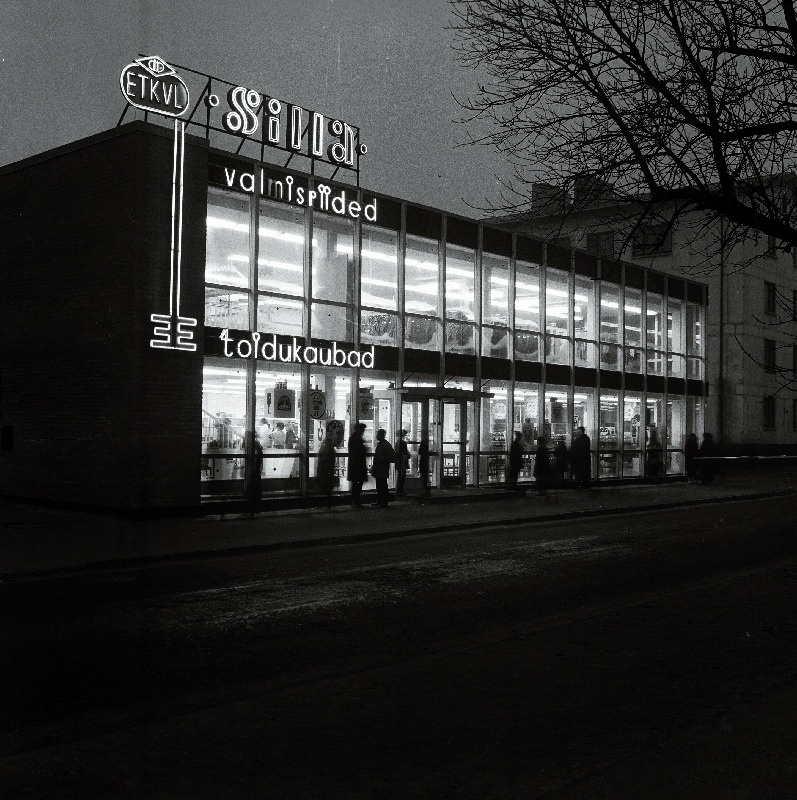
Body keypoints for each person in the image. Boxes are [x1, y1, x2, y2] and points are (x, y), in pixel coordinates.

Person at [371, 428, 395, 507]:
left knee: (382, 485)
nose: (376, 436)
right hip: (381, 468)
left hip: (382, 468)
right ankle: (381, 501)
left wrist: (379, 459)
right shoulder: (383, 444)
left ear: (381, 435)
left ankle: (383, 502)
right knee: (380, 485)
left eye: (377, 434)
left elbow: (388, 457)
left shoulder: (384, 445)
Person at [347, 423, 368, 507]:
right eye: (363, 430)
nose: (363, 431)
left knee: (356, 484)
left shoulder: (353, 438)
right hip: (358, 465)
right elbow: (361, 451)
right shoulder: (357, 439)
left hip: (354, 465)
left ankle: (355, 501)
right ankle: (355, 501)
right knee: (357, 485)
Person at [316, 433, 337, 509]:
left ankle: (322, 503)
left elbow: (321, 459)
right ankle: (327, 504)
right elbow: (331, 461)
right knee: (327, 488)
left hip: (322, 470)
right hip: (327, 470)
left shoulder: (323, 447)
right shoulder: (330, 448)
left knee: (322, 488)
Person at [244, 431, 263, 509]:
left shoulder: (252, 444)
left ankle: (252, 501)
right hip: (256, 467)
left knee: (253, 482)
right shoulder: (256, 443)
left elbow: (255, 456)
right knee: (256, 482)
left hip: (254, 468)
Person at [533, 437, 551, 501]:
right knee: (543, 479)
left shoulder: (540, 449)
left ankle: (540, 491)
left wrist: (536, 468)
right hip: (544, 467)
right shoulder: (545, 449)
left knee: (539, 480)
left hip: (540, 467)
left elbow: (538, 460)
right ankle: (543, 491)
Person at [395, 429, 410, 496]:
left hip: (399, 461)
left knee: (400, 475)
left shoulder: (397, 443)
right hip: (403, 461)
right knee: (402, 476)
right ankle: (400, 490)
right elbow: (405, 452)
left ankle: (399, 490)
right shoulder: (402, 443)